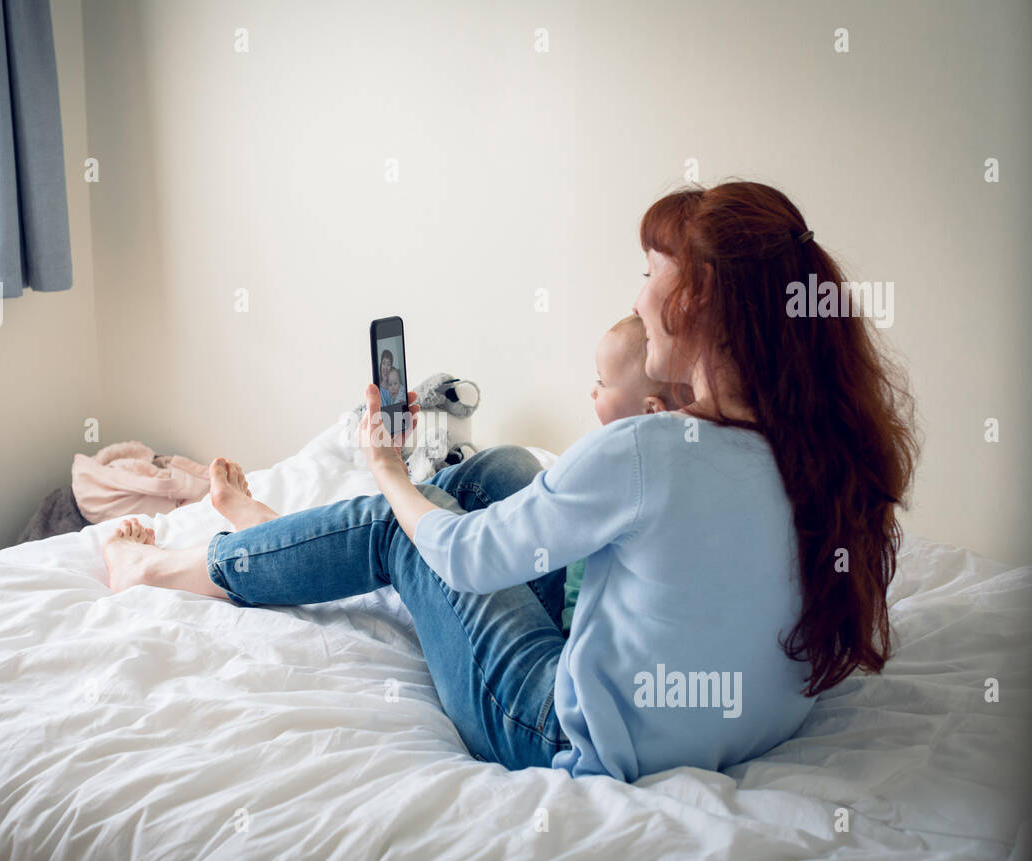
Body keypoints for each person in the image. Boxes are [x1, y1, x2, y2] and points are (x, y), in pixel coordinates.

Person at [101, 180, 917, 782]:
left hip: (553, 727)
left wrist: (385, 468)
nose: (637, 295)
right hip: (705, 718)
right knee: (506, 471)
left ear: (694, 298)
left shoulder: (648, 449)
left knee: (403, 529)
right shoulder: (818, 451)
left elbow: (458, 556)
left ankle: (166, 563)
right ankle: (271, 527)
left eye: (646, 272)